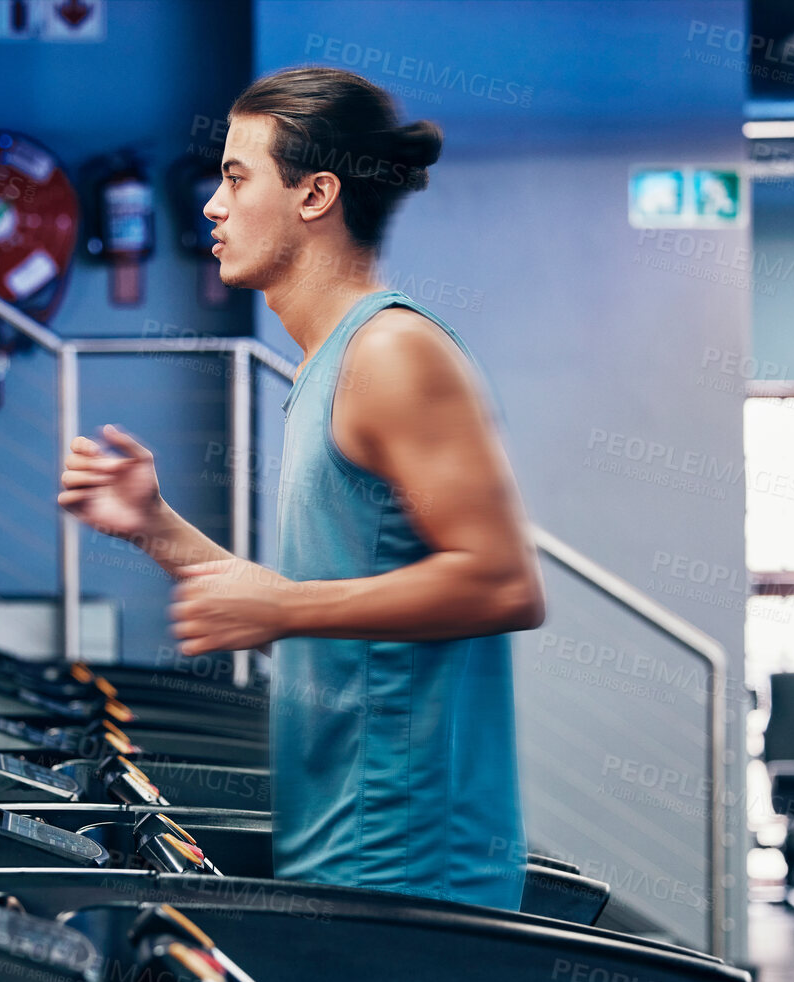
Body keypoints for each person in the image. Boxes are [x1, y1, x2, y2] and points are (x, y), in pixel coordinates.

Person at [57, 66, 545, 911]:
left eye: (237, 177)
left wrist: (284, 609)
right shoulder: (327, 365)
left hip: (404, 856)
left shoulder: (392, 354)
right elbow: (331, 605)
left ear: (315, 194)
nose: (210, 205)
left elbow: (502, 582)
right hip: (344, 835)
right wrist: (155, 526)